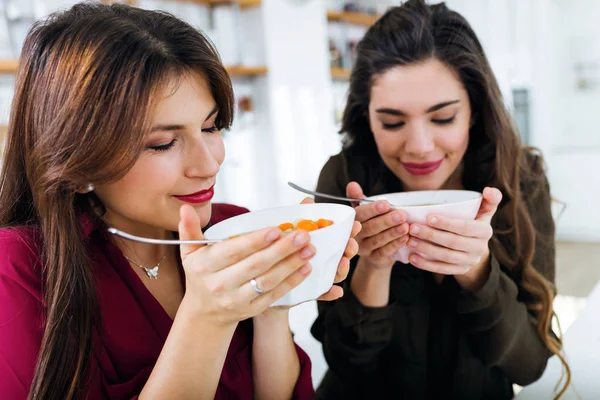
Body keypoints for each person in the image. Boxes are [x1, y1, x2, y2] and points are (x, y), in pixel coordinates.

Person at [0, 3, 359, 399]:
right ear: (79, 161)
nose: (208, 164)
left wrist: (274, 304)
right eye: (162, 144)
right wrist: (207, 317)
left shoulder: (232, 229)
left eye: (211, 127)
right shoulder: (20, 270)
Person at [310, 1, 570, 399]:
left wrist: (477, 271)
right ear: (367, 116)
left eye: (443, 118)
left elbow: (530, 364)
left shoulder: (520, 180)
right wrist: (374, 266)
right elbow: (345, 362)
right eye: (392, 122)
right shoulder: (344, 179)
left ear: (474, 110)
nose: (419, 147)